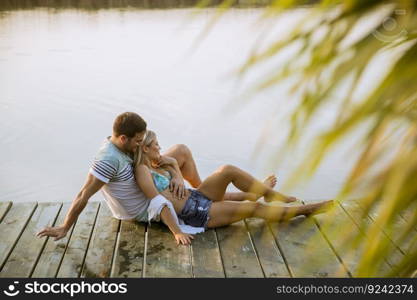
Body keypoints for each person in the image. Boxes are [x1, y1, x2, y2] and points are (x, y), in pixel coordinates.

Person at [135, 130, 333, 245]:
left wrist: (173, 166)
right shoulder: (143, 172)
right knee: (253, 209)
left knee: (227, 170)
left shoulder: (158, 164)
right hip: (197, 213)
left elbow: (174, 160)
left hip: (196, 196)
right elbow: (158, 203)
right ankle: (304, 210)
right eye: (157, 146)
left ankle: (270, 194)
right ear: (144, 149)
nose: (160, 149)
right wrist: (177, 231)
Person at [36, 112, 192, 244]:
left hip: (143, 181)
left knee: (180, 151)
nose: (140, 145)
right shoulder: (108, 160)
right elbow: (84, 194)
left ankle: (198, 188)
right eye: (138, 141)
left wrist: (177, 175)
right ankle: (205, 195)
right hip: (141, 208)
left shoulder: (118, 143)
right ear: (123, 138)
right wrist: (65, 226)